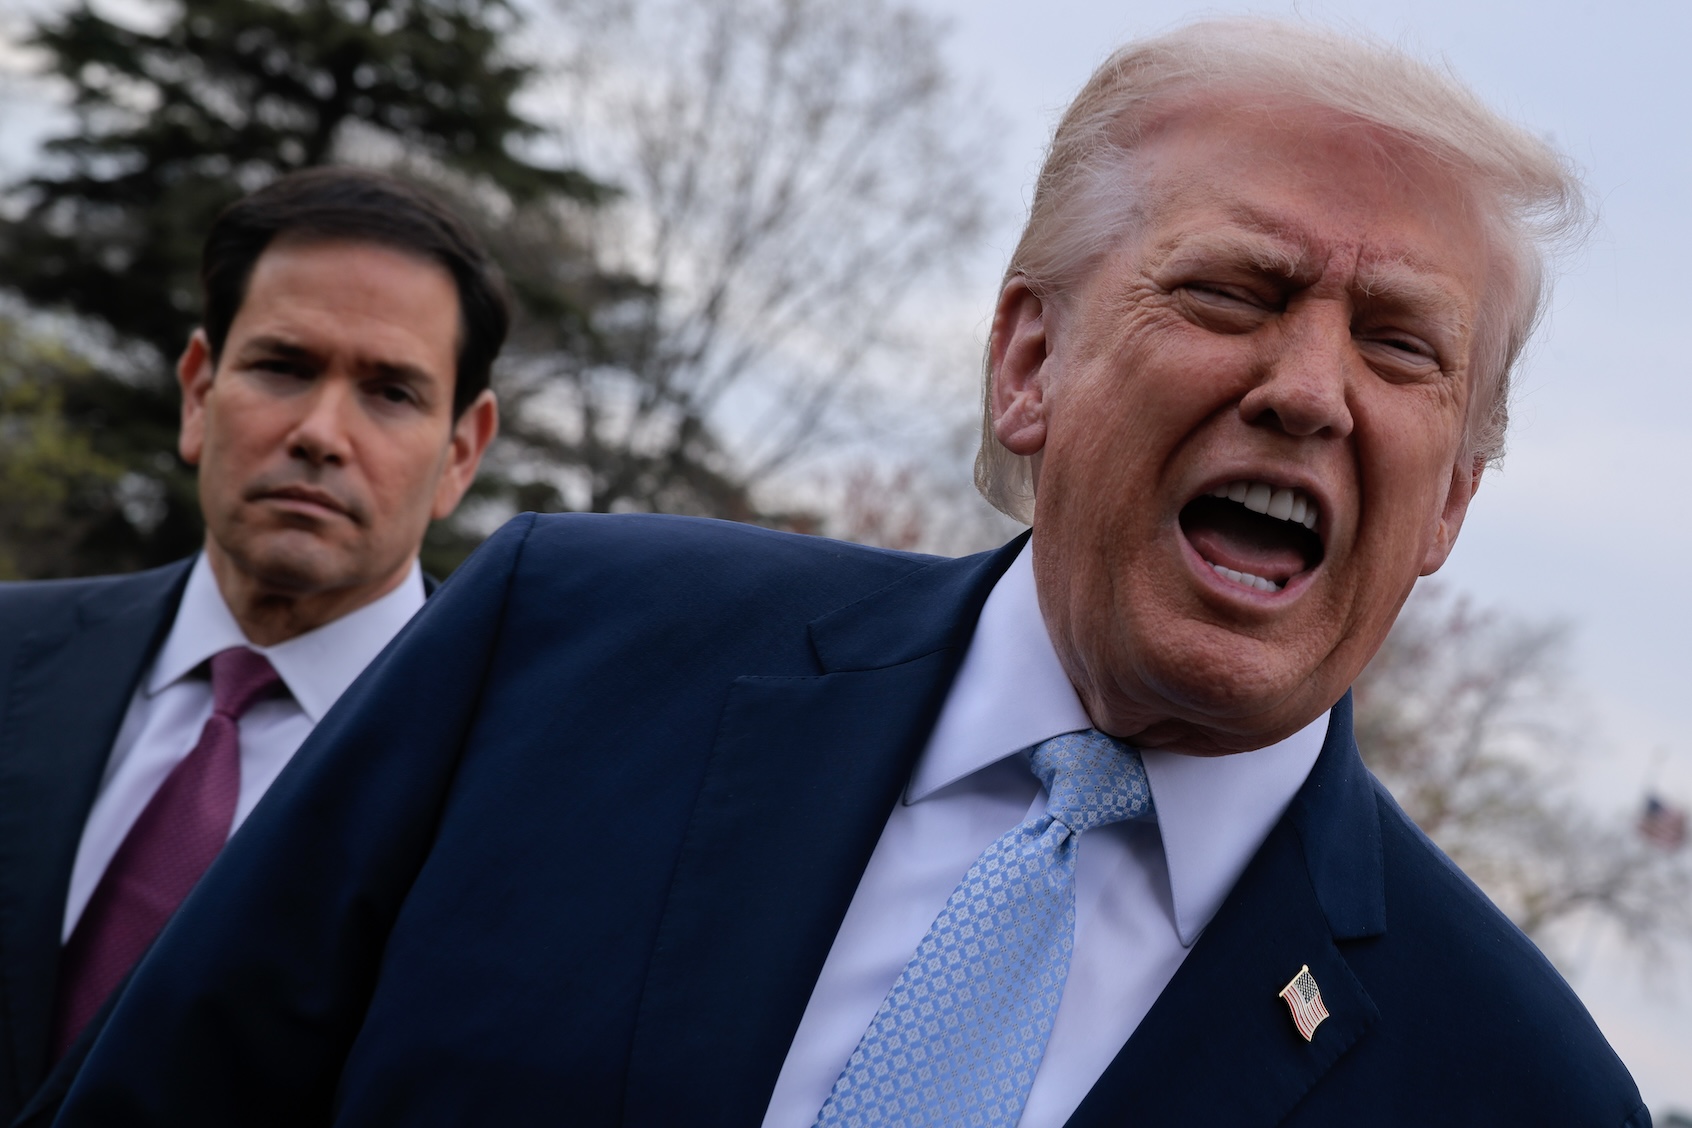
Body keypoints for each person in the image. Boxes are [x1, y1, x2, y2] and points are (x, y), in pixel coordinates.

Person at [51, 20, 1646, 1128]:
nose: (1309, 388)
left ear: (1448, 503)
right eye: (1236, 290)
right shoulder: (555, 652)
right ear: (1027, 362)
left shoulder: (1520, 1089)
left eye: (1397, 345)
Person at [0, 167, 501, 1125]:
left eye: (390, 392)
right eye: (282, 366)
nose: (320, 433)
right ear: (199, 392)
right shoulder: (11, 653)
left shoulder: (503, 791)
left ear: (463, 452)